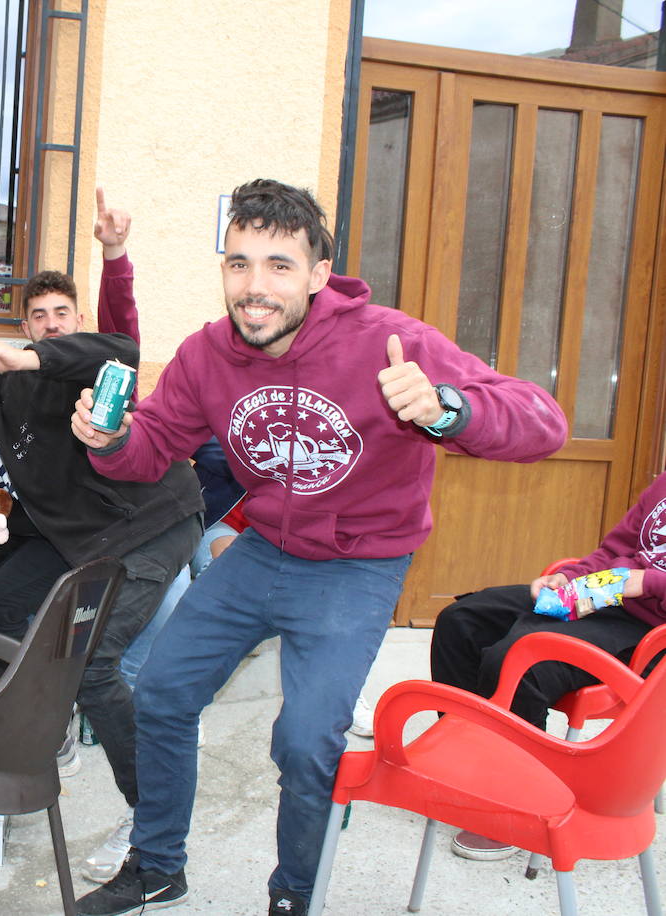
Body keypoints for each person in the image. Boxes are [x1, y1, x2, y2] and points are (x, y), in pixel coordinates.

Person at [68, 179, 568, 915]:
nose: (255, 286)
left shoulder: (389, 342)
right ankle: (157, 865)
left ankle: (294, 894)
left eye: (279, 265)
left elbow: (543, 421)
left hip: (359, 564)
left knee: (305, 742)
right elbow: (152, 448)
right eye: (239, 264)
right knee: (163, 695)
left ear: (317, 274)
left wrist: (447, 408)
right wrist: (110, 440)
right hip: (262, 549)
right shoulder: (207, 355)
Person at [0, 319, 203, 887]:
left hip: (149, 523)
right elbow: (22, 524)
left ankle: (149, 820)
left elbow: (121, 351)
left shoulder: (24, 383)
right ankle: (48, 725)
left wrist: (24, 357)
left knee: (93, 666)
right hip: (86, 541)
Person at [430, 472, 666, 860]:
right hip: (607, 595)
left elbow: (640, 578)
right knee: (461, 620)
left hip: (651, 634)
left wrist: (649, 582)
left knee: (519, 661)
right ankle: (471, 765)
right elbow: (615, 550)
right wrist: (569, 578)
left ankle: (519, 803)